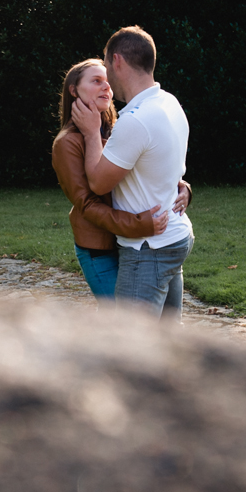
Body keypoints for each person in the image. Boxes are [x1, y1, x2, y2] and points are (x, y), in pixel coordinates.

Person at [71, 26, 194, 320]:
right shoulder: (169, 102)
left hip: (148, 248)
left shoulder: (135, 120)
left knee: (134, 339)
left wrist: (91, 133)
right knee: (168, 337)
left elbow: (98, 183)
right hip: (176, 236)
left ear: (117, 61)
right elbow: (162, 164)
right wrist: (184, 186)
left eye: (105, 61)